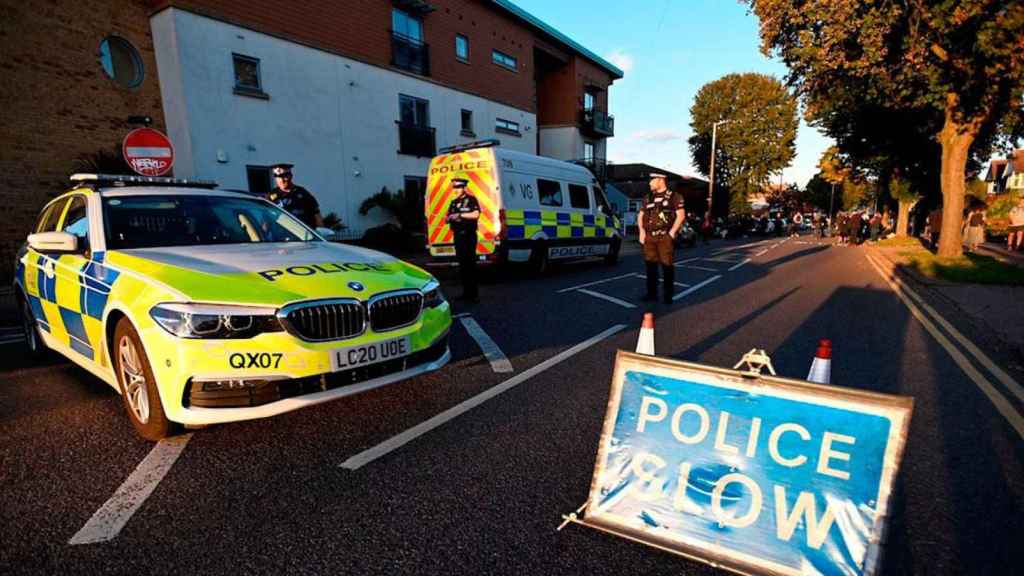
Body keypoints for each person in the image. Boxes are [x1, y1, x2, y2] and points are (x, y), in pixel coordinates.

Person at [638, 173, 685, 304]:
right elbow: (641, 215)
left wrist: (672, 233)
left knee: (667, 267)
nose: (649, 183)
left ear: (660, 180)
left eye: (652, 181)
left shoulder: (674, 196)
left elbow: (681, 215)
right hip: (650, 237)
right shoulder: (648, 197)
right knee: (650, 267)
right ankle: (651, 294)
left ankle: (668, 294)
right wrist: (641, 231)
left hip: (665, 236)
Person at [445, 178, 481, 302]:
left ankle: (473, 295)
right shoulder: (453, 202)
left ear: (464, 188)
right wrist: (449, 218)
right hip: (458, 236)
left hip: (469, 236)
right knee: (462, 266)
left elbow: (476, 214)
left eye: (458, 187)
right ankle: (465, 293)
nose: (455, 190)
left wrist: (460, 215)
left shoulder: (471, 200)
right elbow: (447, 217)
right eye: (454, 188)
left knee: (470, 265)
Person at [266, 163, 324, 229]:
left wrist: (321, 232)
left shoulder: (303, 193)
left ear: (290, 176)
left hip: (303, 234)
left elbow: (317, 215)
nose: (281, 180)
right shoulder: (271, 196)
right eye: (278, 177)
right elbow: (266, 219)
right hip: (280, 235)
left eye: (284, 176)